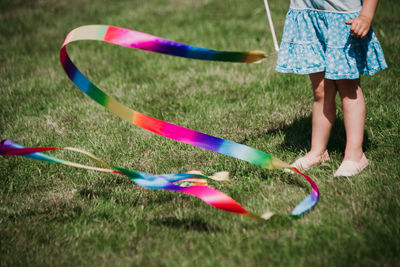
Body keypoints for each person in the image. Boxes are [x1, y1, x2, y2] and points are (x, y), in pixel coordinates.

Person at [276, 0, 387, 177]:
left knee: (348, 87)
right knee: (320, 90)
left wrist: (366, 15)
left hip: (342, 18)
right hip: (309, 15)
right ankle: (317, 152)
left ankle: (355, 155)